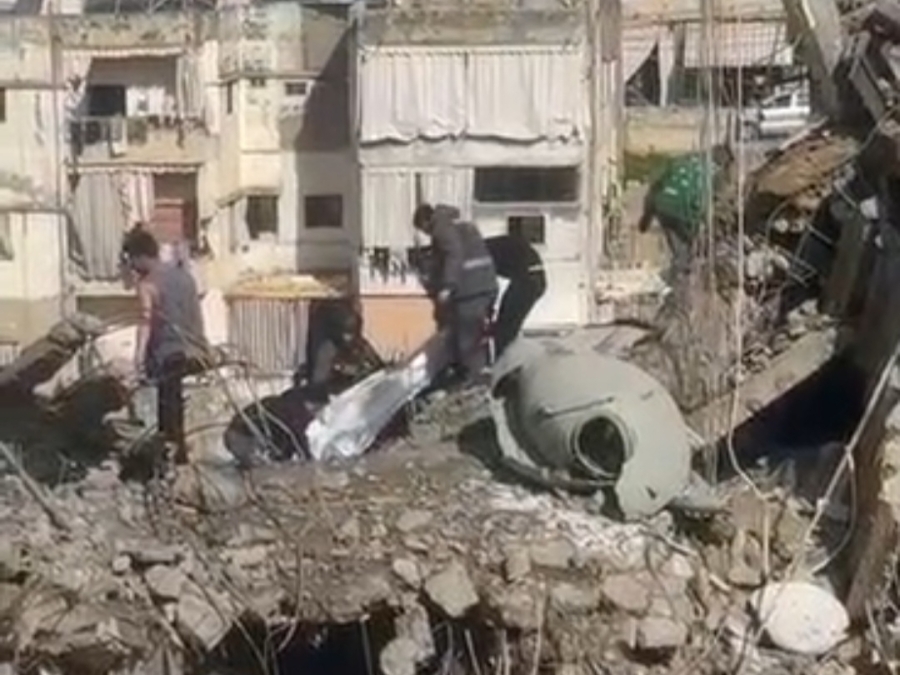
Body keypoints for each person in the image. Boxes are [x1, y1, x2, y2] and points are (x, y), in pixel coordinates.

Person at [121, 225, 206, 465]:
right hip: (197, 349)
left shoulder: (148, 284)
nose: (131, 266)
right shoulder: (185, 276)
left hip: (169, 355)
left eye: (131, 260)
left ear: (139, 257)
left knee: (167, 406)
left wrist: (138, 360)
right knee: (173, 401)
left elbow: (146, 323)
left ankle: (171, 454)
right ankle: (177, 452)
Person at [412, 203, 498, 384]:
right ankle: (479, 373)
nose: (427, 234)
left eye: (424, 230)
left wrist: (448, 286)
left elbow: (454, 253)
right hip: (485, 284)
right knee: (476, 334)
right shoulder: (458, 222)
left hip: (471, 289)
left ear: (426, 221)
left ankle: (474, 381)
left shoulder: (441, 227)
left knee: (467, 338)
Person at [638, 144, 733, 283]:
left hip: (662, 204)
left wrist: (645, 220)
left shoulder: (684, 160)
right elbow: (713, 203)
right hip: (683, 210)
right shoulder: (716, 173)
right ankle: (682, 278)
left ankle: (678, 273)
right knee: (691, 248)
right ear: (725, 163)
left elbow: (655, 186)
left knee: (681, 247)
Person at [296, 297, 384, 403]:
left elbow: (379, 366)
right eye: (347, 334)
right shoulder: (327, 349)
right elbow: (320, 381)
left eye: (352, 333)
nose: (349, 338)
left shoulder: (360, 344)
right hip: (335, 398)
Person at [485, 234, 547, 358]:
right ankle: (502, 355)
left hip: (528, 279)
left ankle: (495, 359)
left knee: (505, 328)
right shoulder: (484, 247)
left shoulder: (478, 255)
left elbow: (488, 287)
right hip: (534, 277)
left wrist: (488, 311)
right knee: (507, 324)